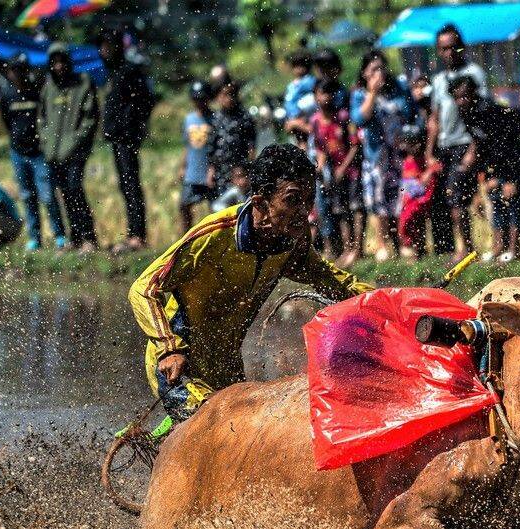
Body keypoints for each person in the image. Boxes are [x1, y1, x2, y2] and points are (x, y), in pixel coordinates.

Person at [128, 143, 372, 422]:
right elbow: (144, 288)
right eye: (292, 200)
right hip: (179, 365)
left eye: (309, 199)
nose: (304, 211)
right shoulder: (215, 235)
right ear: (260, 204)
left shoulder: (290, 243)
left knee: (244, 440)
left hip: (226, 366)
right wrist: (168, 347)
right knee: (217, 432)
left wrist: (389, 304)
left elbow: (338, 284)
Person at [450, 75, 520, 263]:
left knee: (512, 201)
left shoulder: (489, 110)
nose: (461, 101)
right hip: (496, 160)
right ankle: (498, 247)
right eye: (457, 97)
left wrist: (512, 178)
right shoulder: (465, 112)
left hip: (515, 155)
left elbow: (507, 144)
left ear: (473, 93)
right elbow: (481, 145)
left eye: (465, 96)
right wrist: (486, 176)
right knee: (495, 199)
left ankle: (513, 250)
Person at [426, 23, 489, 261]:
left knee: (459, 198)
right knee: (444, 200)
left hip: (465, 143)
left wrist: (474, 149)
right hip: (444, 145)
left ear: (461, 47)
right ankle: (451, 248)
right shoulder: (439, 80)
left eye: (453, 48)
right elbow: (434, 118)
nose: (449, 53)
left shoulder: (474, 74)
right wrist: (429, 152)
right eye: (444, 49)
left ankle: (467, 248)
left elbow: (483, 116)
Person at [351, 50, 416, 262]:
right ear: (364, 73)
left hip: (398, 153)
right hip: (375, 155)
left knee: (398, 198)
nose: (379, 73)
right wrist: (372, 92)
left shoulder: (399, 88)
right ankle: (382, 244)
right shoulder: (360, 94)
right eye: (373, 70)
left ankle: (401, 243)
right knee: (378, 200)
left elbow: (409, 113)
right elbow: (360, 118)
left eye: (381, 68)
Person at [97, 28, 157, 253]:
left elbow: (146, 100)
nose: (103, 51)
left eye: (107, 46)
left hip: (127, 137)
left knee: (131, 185)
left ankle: (137, 236)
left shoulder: (130, 71)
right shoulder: (112, 72)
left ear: (116, 47)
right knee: (125, 185)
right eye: (101, 46)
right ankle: (132, 233)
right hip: (117, 138)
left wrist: (131, 126)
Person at [0, 53, 66, 250]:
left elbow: (47, 117)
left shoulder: (37, 92)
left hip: (38, 153)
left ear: (26, 71)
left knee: (47, 196)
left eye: (21, 69)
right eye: (14, 70)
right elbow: (6, 122)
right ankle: (34, 238)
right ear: (10, 73)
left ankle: (60, 235)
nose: (18, 74)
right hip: (17, 152)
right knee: (28, 196)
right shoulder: (7, 96)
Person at [39, 42, 99, 252]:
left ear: (68, 62)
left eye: (62, 61)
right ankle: (73, 238)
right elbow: (42, 118)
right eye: (54, 62)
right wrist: (46, 143)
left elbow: (89, 119)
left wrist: (73, 143)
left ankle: (88, 238)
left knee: (75, 191)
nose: (59, 66)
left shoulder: (82, 84)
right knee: (63, 194)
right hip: (53, 154)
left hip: (75, 152)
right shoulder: (49, 86)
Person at [310, 79, 360, 265]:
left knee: (355, 209)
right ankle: (346, 249)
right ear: (315, 96)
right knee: (340, 211)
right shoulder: (315, 122)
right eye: (321, 93)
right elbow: (320, 148)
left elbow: (355, 145)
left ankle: (357, 249)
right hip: (333, 173)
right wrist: (320, 169)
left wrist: (343, 168)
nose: (325, 97)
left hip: (350, 171)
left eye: (328, 93)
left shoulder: (343, 116)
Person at [178, 81, 215, 233]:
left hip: (209, 171)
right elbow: (187, 146)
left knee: (213, 208)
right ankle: (185, 237)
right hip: (192, 171)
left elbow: (217, 148)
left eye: (202, 98)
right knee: (184, 205)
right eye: (196, 99)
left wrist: (213, 169)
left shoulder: (215, 119)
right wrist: (183, 166)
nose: (199, 102)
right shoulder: (188, 120)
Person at [207, 80, 256, 194]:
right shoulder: (216, 118)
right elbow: (211, 146)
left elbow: (252, 143)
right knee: (221, 202)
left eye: (231, 94)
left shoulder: (244, 116)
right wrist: (211, 170)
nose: (229, 98)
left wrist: (250, 167)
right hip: (221, 169)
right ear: (218, 97)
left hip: (240, 167)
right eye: (225, 95)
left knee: (240, 200)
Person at [397, 126, 436, 258]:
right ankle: (413, 250)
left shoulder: (425, 160)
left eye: (413, 143)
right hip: (407, 200)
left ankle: (418, 250)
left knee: (412, 221)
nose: (411, 147)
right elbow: (404, 184)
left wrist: (429, 172)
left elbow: (435, 168)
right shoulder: (406, 161)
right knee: (407, 224)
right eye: (407, 143)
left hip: (420, 200)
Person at [281, 49, 316, 146]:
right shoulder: (291, 85)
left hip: (305, 119)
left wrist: (298, 121)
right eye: (295, 65)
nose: (299, 68)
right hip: (293, 119)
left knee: (307, 144)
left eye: (302, 65)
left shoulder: (309, 81)